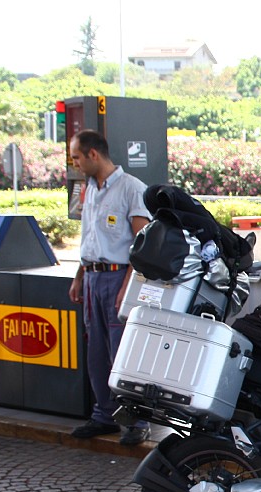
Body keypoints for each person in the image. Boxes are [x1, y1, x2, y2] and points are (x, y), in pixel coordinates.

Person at [67, 130, 152, 446]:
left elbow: (141, 244)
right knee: (97, 352)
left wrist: (128, 287)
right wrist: (79, 276)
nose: (74, 163)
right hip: (92, 277)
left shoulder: (131, 189)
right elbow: (89, 237)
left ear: (93, 154)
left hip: (118, 277)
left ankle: (136, 420)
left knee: (123, 351)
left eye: (76, 156)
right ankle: (104, 415)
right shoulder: (89, 189)